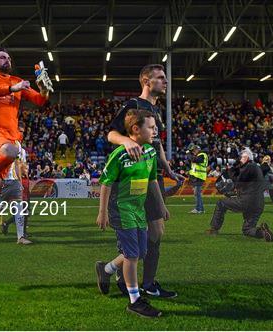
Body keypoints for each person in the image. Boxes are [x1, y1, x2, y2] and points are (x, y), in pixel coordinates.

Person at [0, 47, 51, 259]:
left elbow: (41, 101)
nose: (6, 59)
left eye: (8, 57)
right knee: (11, 151)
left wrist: (44, 88)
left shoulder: (18, 80)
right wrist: (13, 88)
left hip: (8, 136)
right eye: (1, 57)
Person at [107, 64, 177, 298]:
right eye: (160, 78)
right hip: (137, 177)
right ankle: (143, 282)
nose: (165, 82)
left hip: (153, 175)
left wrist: (167, 168)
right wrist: (126, 142)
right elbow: (111, 134)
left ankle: (113, 268)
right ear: (146, 82)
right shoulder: (133, 106)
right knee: (154, 231)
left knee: (154, 232)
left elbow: (157, 146)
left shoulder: (156, 111)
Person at [95, 109, 165, 318]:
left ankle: (106, 270)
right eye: (151, 127)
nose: (155, 131)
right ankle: (134, 300)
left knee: (139, 252)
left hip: (138, 210)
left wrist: (161, 206)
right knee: (133, 255)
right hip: (121, 210)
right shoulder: (120, 154)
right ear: (136, 129)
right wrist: (103, 212)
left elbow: (152, 180)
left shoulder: (151, 152)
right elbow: (106, 184)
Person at [206, 148, 273, 241]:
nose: (239, 160)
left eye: (241, 158)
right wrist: (266, 163)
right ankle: (263, 233)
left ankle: (214, 229)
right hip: (258, 204)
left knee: (221, 203)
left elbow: (238, 181)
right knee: (247, 229)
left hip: (246, 201)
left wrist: (231, 170)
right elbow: (263, 168)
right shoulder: (256, 168)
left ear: (246, 158)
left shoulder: (249, 167)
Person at [0, 123, 32, 244]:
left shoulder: (17, 145)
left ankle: (20, 237)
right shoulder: (1, 143)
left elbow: (17, 164)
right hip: (2, 180)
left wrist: (19, 180)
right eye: (19, 131)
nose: (21, 134)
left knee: (20, 209)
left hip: (13, 181)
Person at [187, 144, 207, 214]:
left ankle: (198, 209)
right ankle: (201, 209)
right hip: (197, 177)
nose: (193, 152)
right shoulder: (199, 155)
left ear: (197, 150)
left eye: (193, 151)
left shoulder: (202, 155)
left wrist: (188, 153)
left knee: (197, 193)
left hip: (200, 177)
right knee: (197, 193)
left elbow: (195, 160)